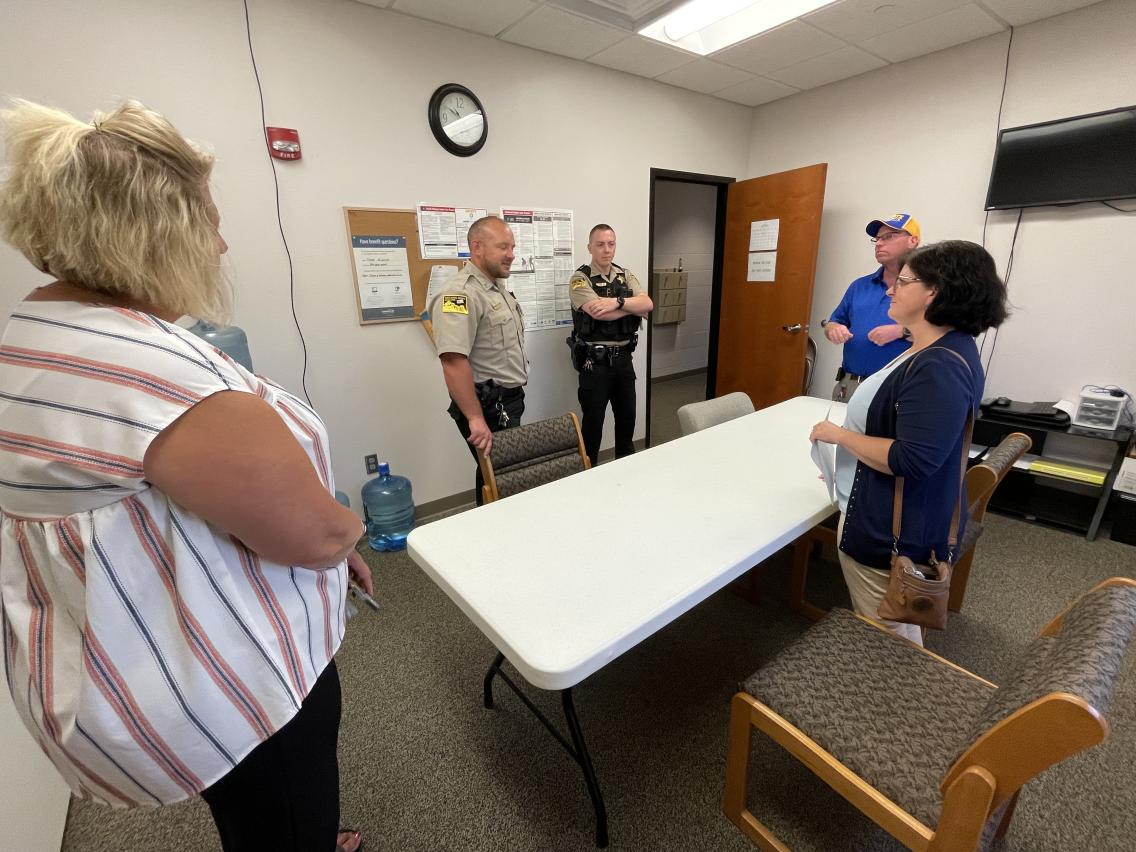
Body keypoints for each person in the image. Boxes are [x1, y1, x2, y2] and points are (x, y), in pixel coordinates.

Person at [0, 100, 371, 852]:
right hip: (244, 683)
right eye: (209, 219)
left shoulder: (38, 333)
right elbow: (315, 529)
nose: (221, 241)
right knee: (285, 806)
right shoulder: (155, 378)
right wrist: (346, 534)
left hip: (156, 666)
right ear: (151, 233)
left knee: (259, 814)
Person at [809, 240, 1008, 645]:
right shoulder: (934, 347)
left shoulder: (938, 365)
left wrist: (840, 437)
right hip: (891, 509)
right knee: (897, 620)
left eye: (902, 281)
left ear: (933, 292)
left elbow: (911, 458)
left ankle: (901, 701)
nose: (890, 289)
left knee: (887, 641)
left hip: (890, 530)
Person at [430, 216, 527, 504]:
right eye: (503, 247)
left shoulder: (495, 287)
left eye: (512, 247)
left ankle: (490, 529)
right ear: (477, 247)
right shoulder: (459, 293)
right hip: (487, 406)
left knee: (494, 475)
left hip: (508, 401)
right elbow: (452, 361)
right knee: (500, 476)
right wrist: (475, 418)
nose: (511, 254)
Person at [567, 224, 653, 465]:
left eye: (611, 244)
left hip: (624, 361)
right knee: (592, 426)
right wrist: (629, 308)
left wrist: (616, 302)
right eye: (600, 244)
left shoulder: (626, 275)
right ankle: (588, 475)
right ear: (590, 247)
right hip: (595, 364)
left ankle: (624, 476)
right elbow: (598, 314)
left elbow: (647, 304)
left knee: (627, 421)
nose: (606, 250)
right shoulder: (580, 279)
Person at [823, 214, 920, 401]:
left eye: (888, 237)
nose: (878, 243)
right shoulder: (859, 286)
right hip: (849, 386)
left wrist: (901, 331)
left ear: (913, 241)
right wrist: (833, 329)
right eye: (877, 239)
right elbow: (832, 323)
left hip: (895, 390)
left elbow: (945, 334)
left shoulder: (926, 286)